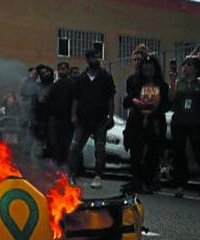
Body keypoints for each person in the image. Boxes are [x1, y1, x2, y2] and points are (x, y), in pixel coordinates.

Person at [122, 55, 170, 194]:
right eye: (145, 70)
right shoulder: (134, 82)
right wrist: (136, 102)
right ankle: (137, 181)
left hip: (154, 122)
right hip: (137, 121)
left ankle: (148, 181)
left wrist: (154, 107)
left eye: (150, 70)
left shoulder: (162, 86)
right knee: (136, 153)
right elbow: (127, 101)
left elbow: (166, 105)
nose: (148, 73)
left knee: (152, 154)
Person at [69, 49, 116, 188]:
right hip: (83, 120)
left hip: (100, 120)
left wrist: (111, 116)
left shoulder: (106, 76)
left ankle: (98, 176)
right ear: (87, 59)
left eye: (97, 57)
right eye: (92, 58)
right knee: (74, 147)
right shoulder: (82, 77)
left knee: (100, 149)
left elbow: (110, 98)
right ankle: (71, 174)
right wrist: (73, 115)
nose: (95, 60)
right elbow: (75, 98)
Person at [168, 56, 200, 198]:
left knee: (199, 153)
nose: (185, 67)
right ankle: (180, 184)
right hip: (179, 122)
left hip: (195, 123)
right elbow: (171, 98)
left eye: (189, 65)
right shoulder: (179, 83)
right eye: (184, 65)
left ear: (196, 69)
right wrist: (172, 81)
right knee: (179, 153)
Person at [47, 62, 74, 167]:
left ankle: (66, 169)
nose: (61, 71)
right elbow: (50, 101)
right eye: (59, 69)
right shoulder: (55, 85)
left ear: (68, 70)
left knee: (67, 145)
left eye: (63, 69)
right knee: (55, 144)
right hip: (56, 119)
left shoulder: (72, 84)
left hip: (68, 120)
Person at [19, 67, 40, 160]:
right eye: (32, 73)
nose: (33, 75)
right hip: (26, 115)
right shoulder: (26, 84)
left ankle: (27, 155)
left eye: (35, 73)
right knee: (25, 134)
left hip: (33, 116)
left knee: (30, 135)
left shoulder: (36, 85)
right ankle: (24, 154)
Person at [34, 64, 55, 158]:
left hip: (52, 118)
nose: (45, 74)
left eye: (47, 72)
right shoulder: (36, 86)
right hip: (38, 118)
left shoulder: (55, 86)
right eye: (42, 73)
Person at [122, 44, 149, 111]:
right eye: (135, 60)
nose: (137, 62)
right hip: (134, 115)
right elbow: (128, 99)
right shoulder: (130, 79)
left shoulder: (150, 78)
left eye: (139, 59)